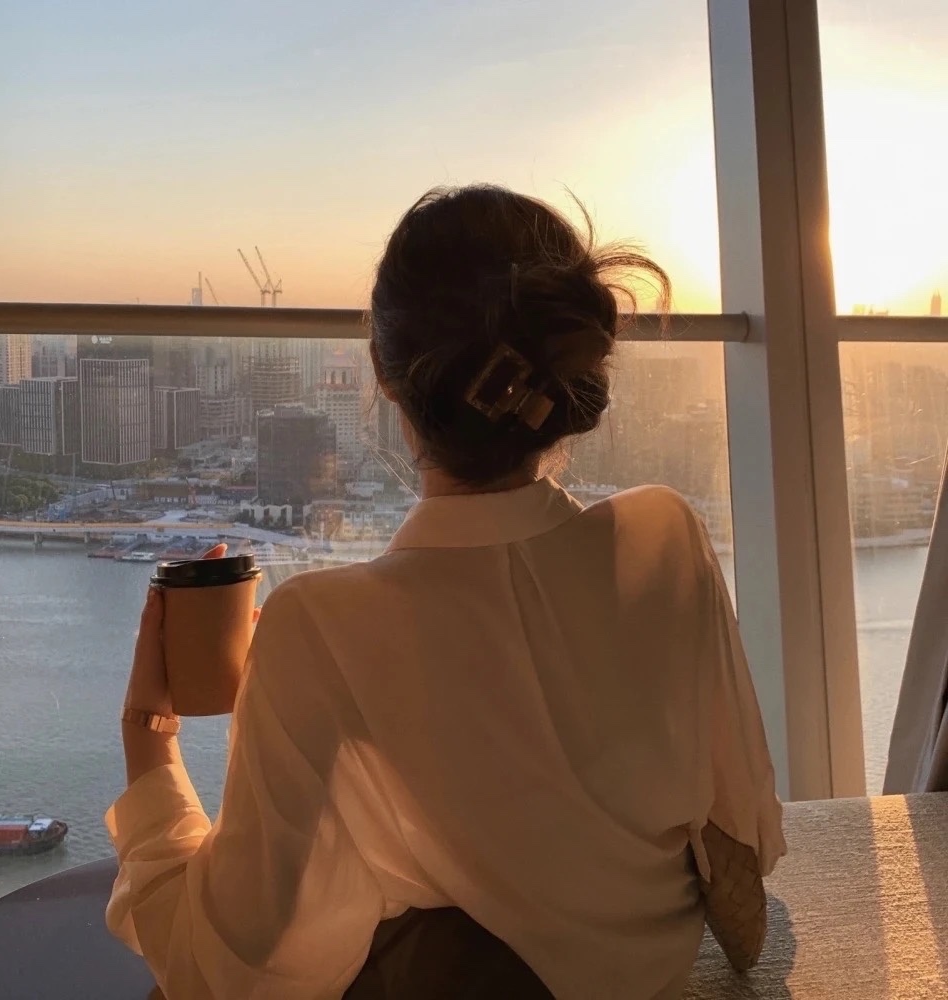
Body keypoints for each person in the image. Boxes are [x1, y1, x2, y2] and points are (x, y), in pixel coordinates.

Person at [107, 184, 786, 999]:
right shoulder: (667, 538)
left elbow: (230, 972)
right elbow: (745, 828)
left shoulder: (319, 628)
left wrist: (149, 734)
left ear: (381, 374)